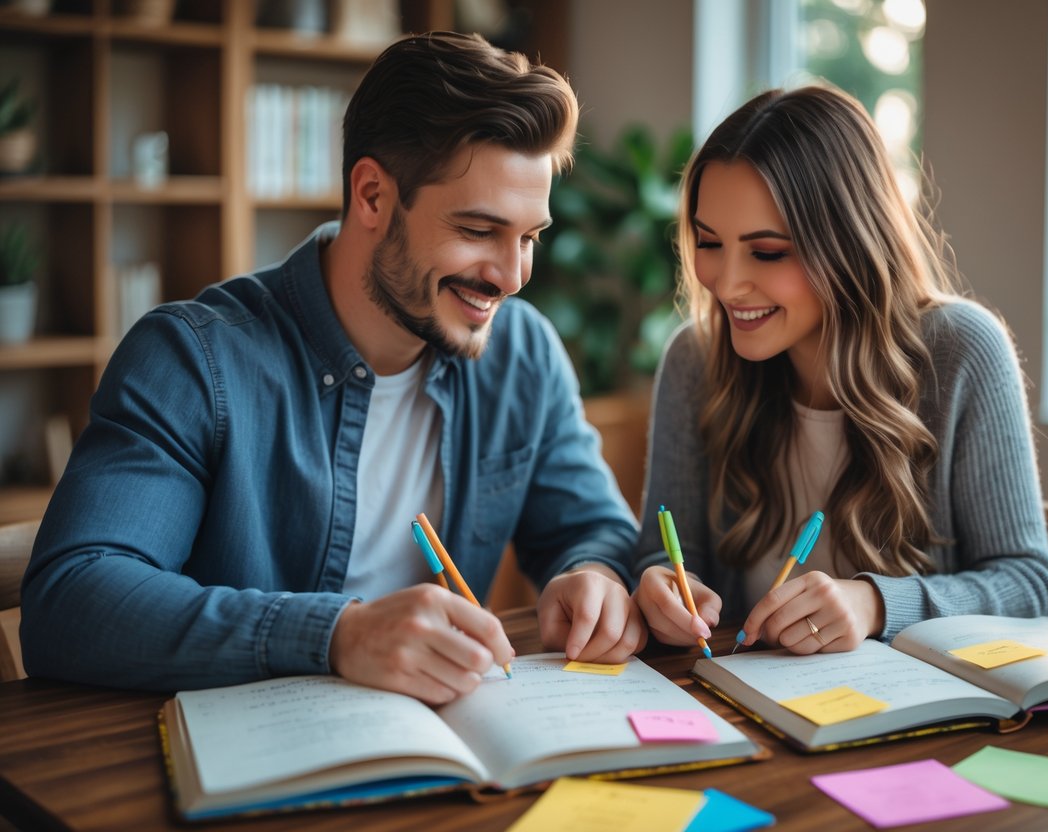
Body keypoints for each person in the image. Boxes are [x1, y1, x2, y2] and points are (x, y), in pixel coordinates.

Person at [21, 32, 646, 703]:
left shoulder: (521, 353)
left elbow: (592, 529)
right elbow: (72, 600)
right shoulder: (193, 359)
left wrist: (594, 576)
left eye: (529, 238)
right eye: (476, 231)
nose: (512, 277)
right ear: (372, 196)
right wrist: (336, 635)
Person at [632, 85, 1048, 656]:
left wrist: (874, 604)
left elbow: (1028, 585)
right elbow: (667, 554)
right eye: (709, 242)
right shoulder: (696, 360)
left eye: (767, 252)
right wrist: (662, 586)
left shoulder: (962, 351)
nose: (727, 285)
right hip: (749, 709)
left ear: (848, 243)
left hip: (911, 719)